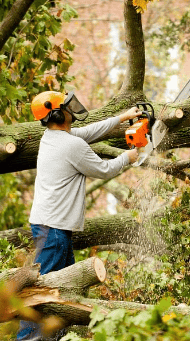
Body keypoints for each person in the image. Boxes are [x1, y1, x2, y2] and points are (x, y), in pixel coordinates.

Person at [17, 91, 140, 341]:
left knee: (63, 291)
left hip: (50, 225)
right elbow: (104, 170)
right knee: (43, 292)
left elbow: (91, 131)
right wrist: (128, 157)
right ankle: (27, 339)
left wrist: (122, 118)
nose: (72, 110)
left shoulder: (53, 137)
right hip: (54, 229)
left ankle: (56, 336)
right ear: (57, 113)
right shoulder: (70, 144)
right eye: (67, 107)